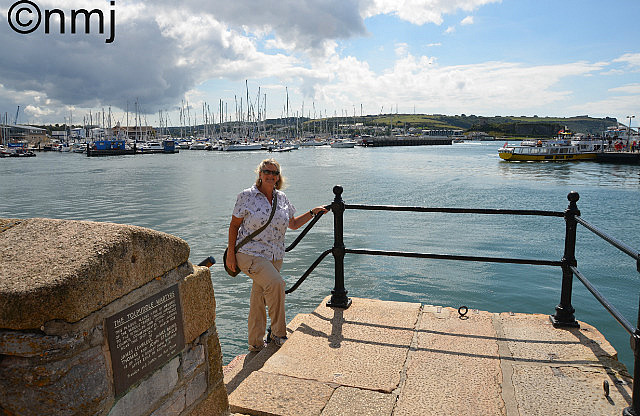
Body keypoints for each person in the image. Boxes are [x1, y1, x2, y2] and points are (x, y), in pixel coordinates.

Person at [226, 158, 328, 351]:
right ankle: (278, 334)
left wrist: (312, 212)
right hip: (249, 254)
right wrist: (231, 253)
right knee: (276, 284)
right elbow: (234, 226)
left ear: (278, 177)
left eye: (275, 173)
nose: (271, 175)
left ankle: (255, 343)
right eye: (267, 171)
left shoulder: (281, 198)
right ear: (260, 174)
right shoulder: (246, 196)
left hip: (274, 256)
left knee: (258, 299)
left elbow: (293, 224)